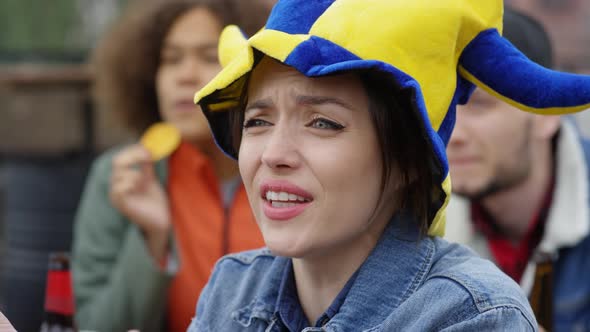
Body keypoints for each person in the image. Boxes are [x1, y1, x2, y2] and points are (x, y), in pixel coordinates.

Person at [186, 0, 590, 329]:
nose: (273, 154)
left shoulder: (470, 315)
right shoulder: (232, 285)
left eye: (323, 123)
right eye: (257, 121)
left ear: (409, 160)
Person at [71, 0, 270, 331]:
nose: (185, 75)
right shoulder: (120, 178)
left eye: (209, 57)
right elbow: (97, 325)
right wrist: (153, 237)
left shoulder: (288, 168)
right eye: (170, 59)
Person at [445, 8, 590, 331]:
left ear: (547, 114)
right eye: (444, 107)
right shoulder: (420, 221)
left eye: (479, 105)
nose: (454, 134)